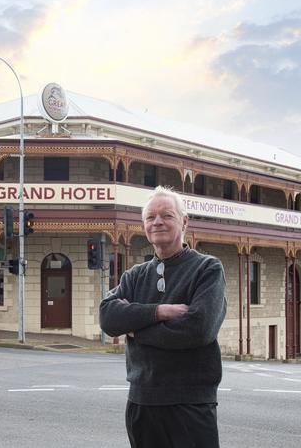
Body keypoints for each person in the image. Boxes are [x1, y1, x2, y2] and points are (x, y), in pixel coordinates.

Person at [99, 185, 227, 448]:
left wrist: (135, 329)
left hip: (189, 403)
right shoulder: (134, 276)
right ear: (144, 225)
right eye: (150, 217)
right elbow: (108, 317)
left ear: (184, 221)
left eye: (167, 215)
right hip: (141, 402)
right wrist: (158, 312)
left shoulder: (207, 269)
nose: (157, 222)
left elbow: (198, 329)